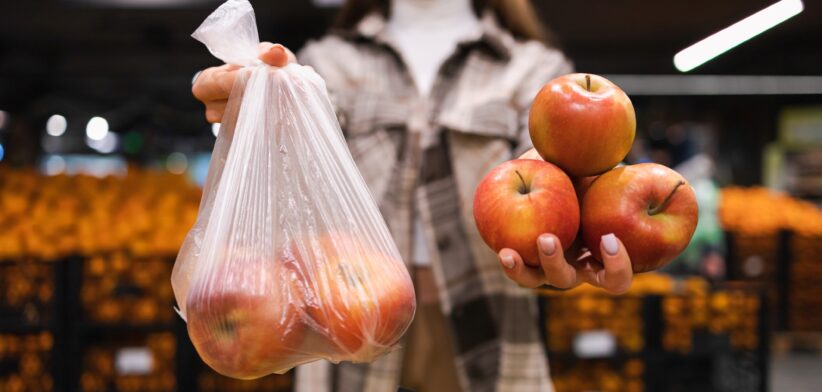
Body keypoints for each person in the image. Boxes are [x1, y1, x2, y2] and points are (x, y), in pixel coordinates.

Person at [192, 0, 634, 391]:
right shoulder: (329, 63)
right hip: (347, 325)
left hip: (490, 330)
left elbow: (555, 177)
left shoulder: (534, 69)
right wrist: (265, 95)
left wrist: (579, 223)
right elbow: (294, 168)